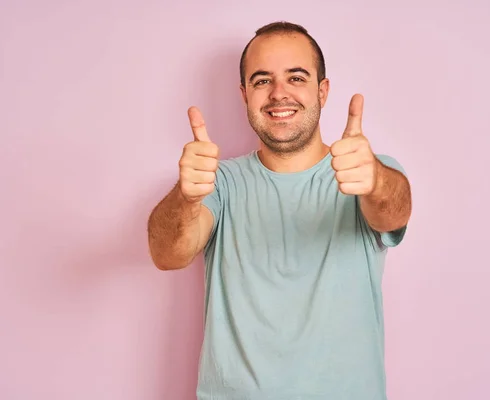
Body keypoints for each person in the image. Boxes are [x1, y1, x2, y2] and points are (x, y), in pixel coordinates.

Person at [147, 20, 412, 400]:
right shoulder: (219, 182)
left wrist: (375, 181)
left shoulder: (366, 172)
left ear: (322, 91)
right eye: (261, 81)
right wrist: (186, 198)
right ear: (244, 95)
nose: (278, 93)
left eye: (296, 77)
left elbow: (393, 211)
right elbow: (167, 254)